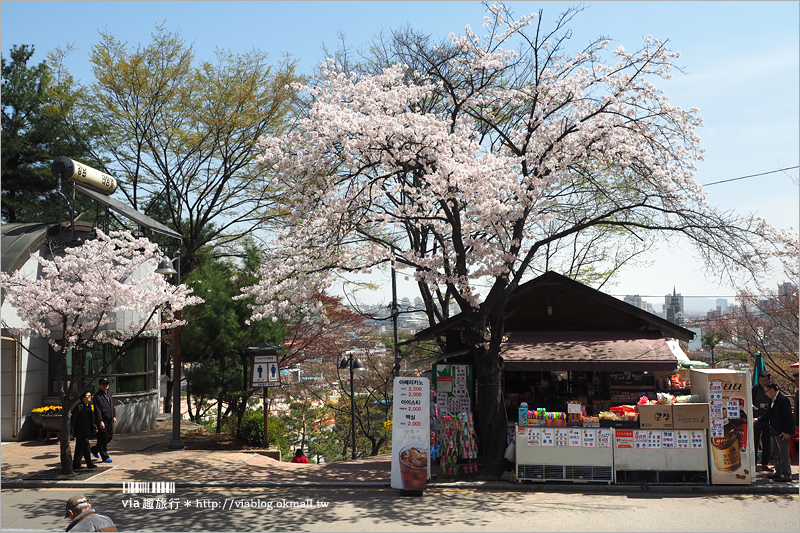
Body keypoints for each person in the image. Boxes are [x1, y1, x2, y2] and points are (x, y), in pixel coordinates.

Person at [760, 381, 795, 482]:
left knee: (783, 454)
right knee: (775, 453)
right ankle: (778, 472)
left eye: (767, 391)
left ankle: (786, 475)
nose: (766, 393)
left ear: (772, 390)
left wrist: (786, 431)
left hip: (782, 431)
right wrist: (759, 419)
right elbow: (769, 414)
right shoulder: (771, 400)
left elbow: (788, 417)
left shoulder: (783, 399)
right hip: (773, 430)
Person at [91, 377, 116, 463]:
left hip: (109, 419)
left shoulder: (109, 394)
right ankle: (104, 456)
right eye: (103, 384)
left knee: (109, 437)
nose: (105, 385)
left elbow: (112, 406)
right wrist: (100, 420)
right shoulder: (98, 397)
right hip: (103, 420)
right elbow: (97, 410)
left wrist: (113, 416)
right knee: (103, 438)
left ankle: (95, 449)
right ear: (100, 385)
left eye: (107, 384)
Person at [752, 371, 773, 472]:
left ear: (769, 380)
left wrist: (768, 408)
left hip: (768, 420)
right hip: (755, 420)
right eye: (761, 380)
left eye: (765, 380)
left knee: (767, 443)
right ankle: (753, 463)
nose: (763, 382)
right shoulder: (755, 389)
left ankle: (765, 463)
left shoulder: (772, 389)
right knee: (754, 442)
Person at [70, 391, 97, 470]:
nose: (90, 397)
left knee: (79, 447)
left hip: (86, 430)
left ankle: (76, 463)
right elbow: (73, 420)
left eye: (90, 395)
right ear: (83, 397)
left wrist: (94, 427)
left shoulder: (89, 407)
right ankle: (89, 463)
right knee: (86, 446)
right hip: (80, 431)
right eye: (88, 395)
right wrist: (71, 431)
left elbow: (92, 419)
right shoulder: (78, 407)